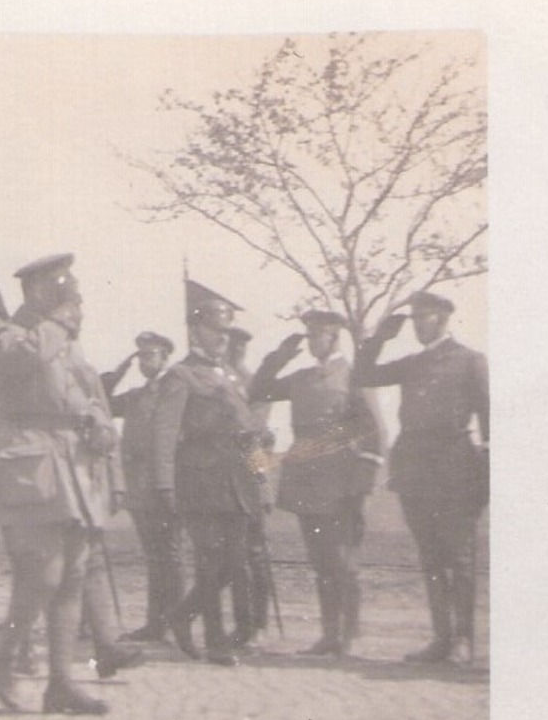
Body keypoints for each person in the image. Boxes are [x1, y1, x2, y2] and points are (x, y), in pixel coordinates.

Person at [0, 253, 119, 714]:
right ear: (37, 290)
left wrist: (98, 419)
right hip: (31, 461)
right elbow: (19, 361)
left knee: (73, 575)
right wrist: (60, 323)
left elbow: (84, 388)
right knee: (44, 573)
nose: (70, 300)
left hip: (73, 462)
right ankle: (5, 653)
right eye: (61, 290)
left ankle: (61, 683)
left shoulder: (64, 340)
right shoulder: (8, 333)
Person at [353, 291, 489, 664]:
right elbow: (363, 374)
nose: (416, 325)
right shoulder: (412, 363)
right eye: (413, 318)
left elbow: (490, 422)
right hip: (415, 470)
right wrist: (379, 338)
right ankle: (441, 639)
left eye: (422, 317)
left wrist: (486, 476)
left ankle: (463, 640)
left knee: (459, 558)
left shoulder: (470, 362)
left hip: (455, 469)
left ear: (443, 318)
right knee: (430, 557)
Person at [249, 310, 386, 657]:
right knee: (321, 560)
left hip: (342, 478)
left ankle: (349, 634)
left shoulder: (353, 376)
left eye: (317, 336)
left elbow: (374, 430)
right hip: (307, 476)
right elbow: (259, 388)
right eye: (308, 336)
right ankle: (329, 634)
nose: (312, 342)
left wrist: (364, 483)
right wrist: (279, 356)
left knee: (343, 561)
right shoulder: (301, 378)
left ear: (334, 337)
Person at [151, 285, 265, 665]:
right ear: (196, 331)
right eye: (216, 331)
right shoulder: (181, 376)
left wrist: (260, 478)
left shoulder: (232, 376)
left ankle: (184, 615)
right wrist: (165, 483)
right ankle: (216, 642)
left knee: (236, 564)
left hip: (236, 481)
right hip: (198, 480)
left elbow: (248, 431)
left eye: (226, 333)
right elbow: (165, 434)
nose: (222, 339)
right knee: (210, 562)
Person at [102, 331, 183, 643]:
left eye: (150, 355)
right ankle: (156, 624)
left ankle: (176, 623)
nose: (143, 362)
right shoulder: (136, 395)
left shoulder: (173, 390)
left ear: (165, 357)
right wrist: (121, 369)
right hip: (140, 486)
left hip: (166, 484)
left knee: (170, 556)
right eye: (140, 356)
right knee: (154, 556)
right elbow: (103, 400)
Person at [226, 326, 276, 645]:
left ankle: (257, 624)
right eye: (232, 344)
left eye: (241, 345)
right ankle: (241, 624)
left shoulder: (256, 383)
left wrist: (263, 483)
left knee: (254, 554)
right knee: (231, 556)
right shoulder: (215, 379)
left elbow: (255, 435)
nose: (235, 350)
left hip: (249, 471)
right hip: (219, 476)